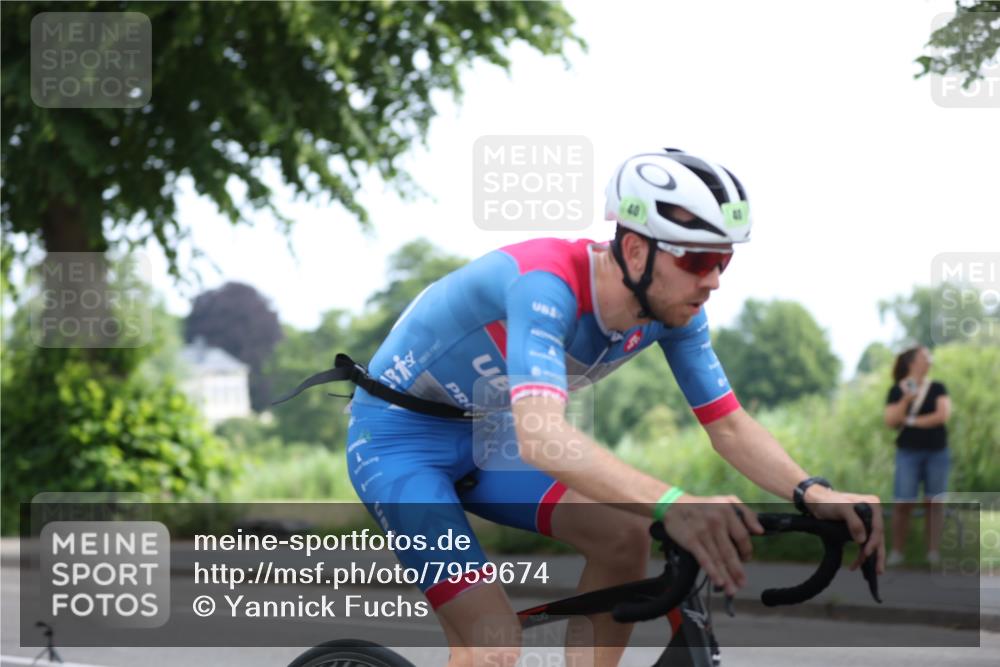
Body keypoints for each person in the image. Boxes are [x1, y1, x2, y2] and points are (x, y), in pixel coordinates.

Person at [291, 148, 885, 667]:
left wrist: (811, 492)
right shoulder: (546, 284)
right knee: (493, 647)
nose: (714, 281)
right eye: (698, 261)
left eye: (724, 260)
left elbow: (727, 424)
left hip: (484, 437)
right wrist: (675, 504)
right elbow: (543, 438)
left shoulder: (672, 313)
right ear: (634, 248)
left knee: (625, 539)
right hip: (398, 447)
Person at [883, 345, 951, 566]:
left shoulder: (938, 387)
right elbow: (891, 421)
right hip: (908, 453)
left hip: (937, 452)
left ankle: (933, 553)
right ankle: (897, 552)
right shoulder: (897, 390)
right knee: (903, 503)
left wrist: (911, 422)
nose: (929, 359)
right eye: (925, 356)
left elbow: (942, 415)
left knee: (934, 502)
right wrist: (906, 399)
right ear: (913, 362)